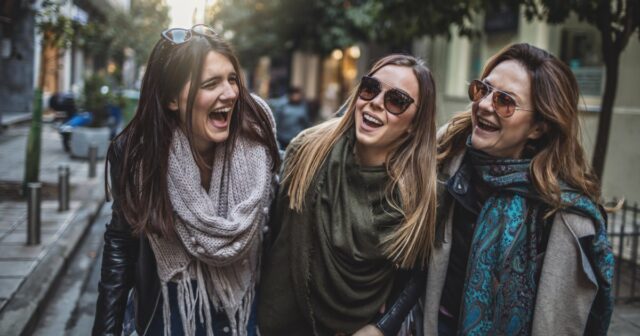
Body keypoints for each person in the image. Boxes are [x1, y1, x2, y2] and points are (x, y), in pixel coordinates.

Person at [92, 24, 280, 336]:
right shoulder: (138, 156)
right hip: (169, 313)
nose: (231, 93)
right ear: (171, 100)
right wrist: (105, 329)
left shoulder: (259, 142)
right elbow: (122, 240)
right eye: (211, 83)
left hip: (240, 313)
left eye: (233, 79)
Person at [428, 43, 614, 335]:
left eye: (505, 101)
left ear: (538, 127)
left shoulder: (564, 215)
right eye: (483, 89)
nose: (485, 105)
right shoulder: (445, 160)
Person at [258, 54, 439, 336]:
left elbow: (412, 277)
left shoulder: (417, 197)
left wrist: (380, 328)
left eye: (397, 100)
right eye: (371, 88)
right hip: (279, 324)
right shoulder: (306, 151)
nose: (376, 102)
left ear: (415, 123)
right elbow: (274, 237)